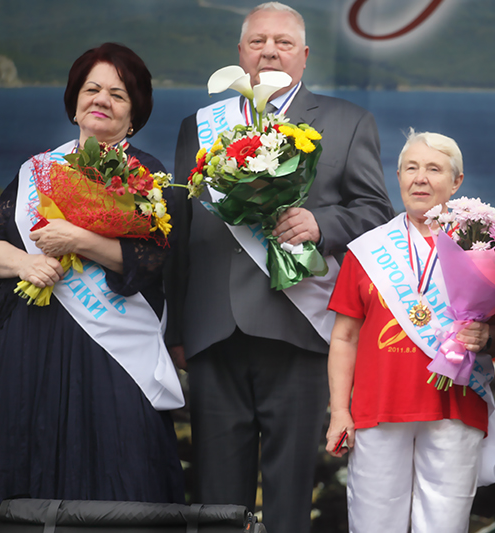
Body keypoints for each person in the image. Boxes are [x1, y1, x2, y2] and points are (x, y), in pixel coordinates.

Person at [164, 3, 394, 533]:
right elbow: (180, 232)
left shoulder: (347, 120)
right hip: (212, 330)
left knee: (290, 495)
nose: (270, 50)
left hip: (300, 329)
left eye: (284, 42)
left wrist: (320, 223)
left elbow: (376, 214)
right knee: (216, 499)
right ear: (240, 53)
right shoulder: (198, 127)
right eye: (258, 41)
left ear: (305, 56)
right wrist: (175, 327)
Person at [0, 42, 185, 528]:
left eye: (117, 94)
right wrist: (22, 265)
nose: (102, 100)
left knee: (120, 466)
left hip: (113, 352)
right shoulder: (36, 171)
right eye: (92, 89)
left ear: (134, 111)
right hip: (32, 344)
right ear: (75, 99)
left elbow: (154, 260)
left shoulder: (150, 175)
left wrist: (81, 238)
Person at [324, 130, 495, 533]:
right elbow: (344, 337)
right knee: (374, 524)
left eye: (434, 169)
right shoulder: (366, 250)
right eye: (411, 168)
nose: (421, 178)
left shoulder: (480, 247)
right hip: (377, 410)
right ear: (398, 176)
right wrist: (340, 410)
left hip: (455, 407)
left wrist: (485, 339)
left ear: (457, 181)